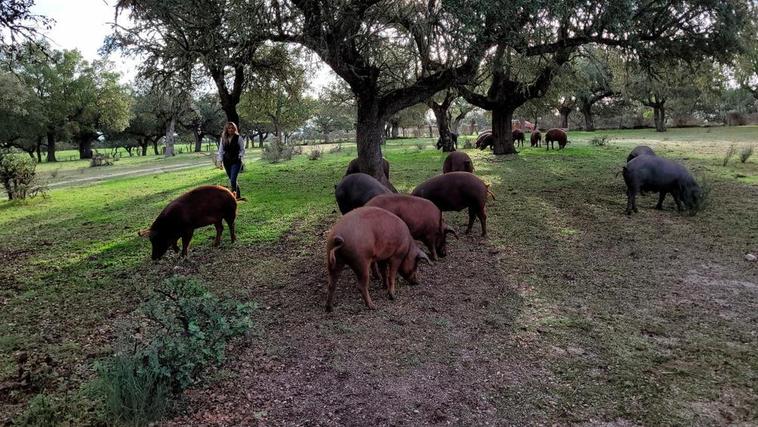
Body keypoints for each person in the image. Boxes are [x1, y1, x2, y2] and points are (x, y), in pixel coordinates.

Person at [216, 122, 245, 199]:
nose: (231, 129)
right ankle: (238, 196)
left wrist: (240, 156)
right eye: (229, 128)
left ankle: (233, 198)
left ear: (235, 129)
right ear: (226, 129)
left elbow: (242, 150)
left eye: (232, 128)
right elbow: (221, 151)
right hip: (227, 162)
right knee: (232, 180)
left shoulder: (239, 138)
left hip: (236, 161)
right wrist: (220, 161)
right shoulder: (223, 138)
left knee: (233, 179)